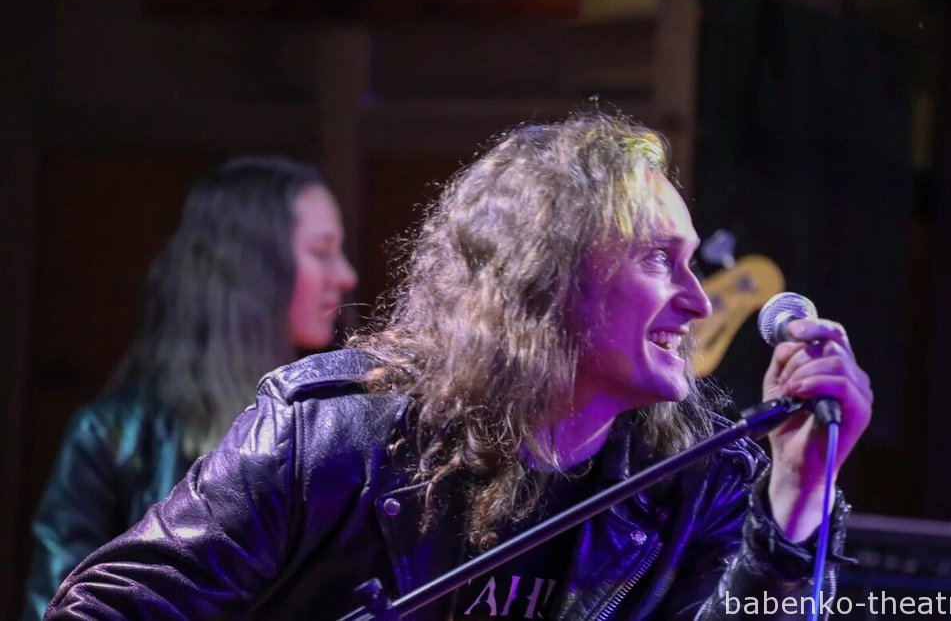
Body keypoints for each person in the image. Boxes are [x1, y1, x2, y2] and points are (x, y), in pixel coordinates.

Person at [44, 113, 871, 620]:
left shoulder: (691, 485)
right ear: (551, 273)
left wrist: (798, 498)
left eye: (694, 265)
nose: (696, 301)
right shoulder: (332, 438)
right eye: (660, 260)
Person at [23, 156, 358, 620]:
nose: (346, 275)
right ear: (253, 266)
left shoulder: (335, 426)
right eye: (322, 251)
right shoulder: (110, 436)